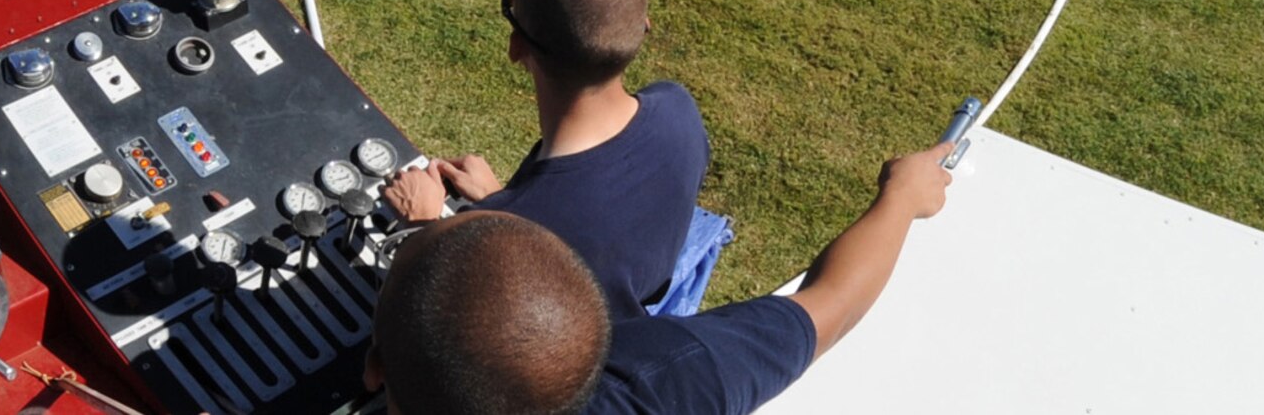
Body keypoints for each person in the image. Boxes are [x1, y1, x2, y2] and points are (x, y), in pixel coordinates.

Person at [365, 142, 957, 415]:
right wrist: (901, 200)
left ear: (375, 367)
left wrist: (424, 227)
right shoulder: (668, 382)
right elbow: (833, 304)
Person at [382, 0, 709, 321]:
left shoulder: (524, 237)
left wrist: (423, 227)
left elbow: (466, 321)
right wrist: (496, 203)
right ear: (643, 28)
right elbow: (599, 223)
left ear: (516, 46)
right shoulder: (679, 108)